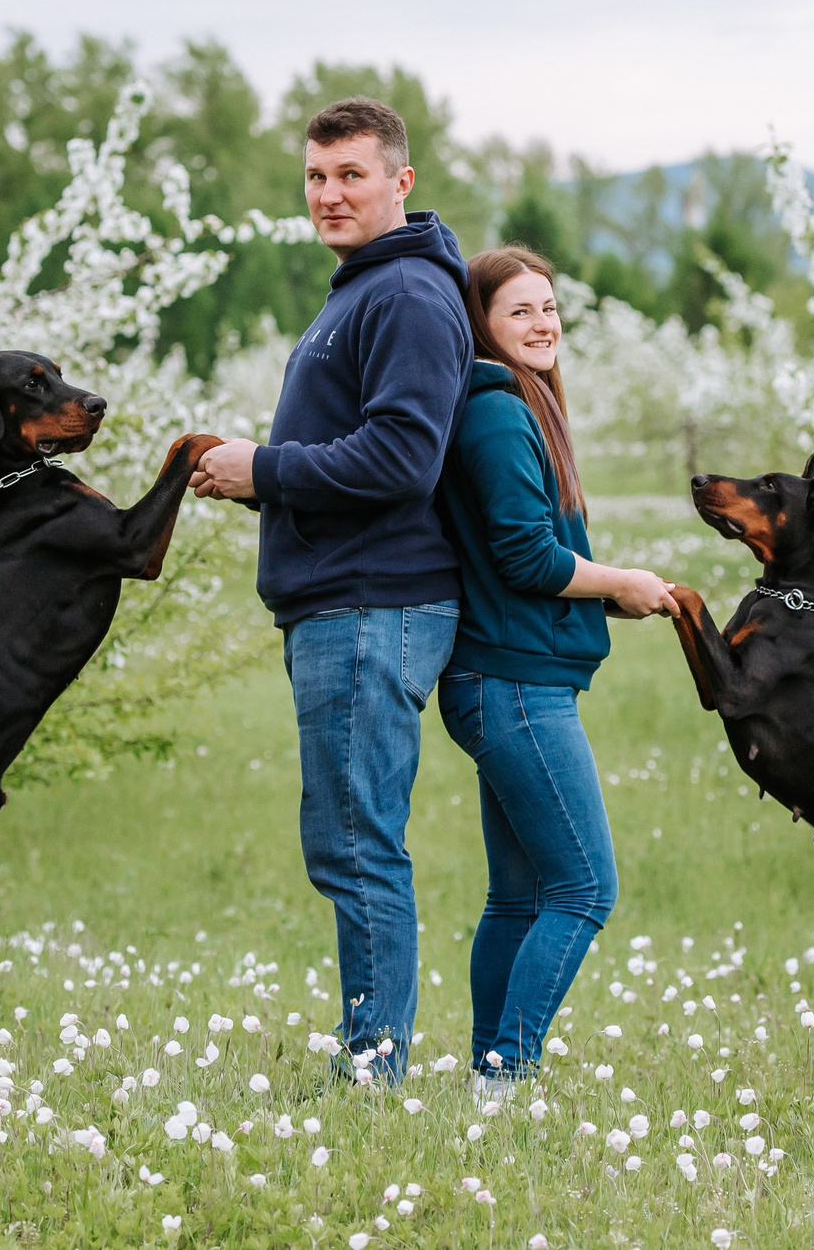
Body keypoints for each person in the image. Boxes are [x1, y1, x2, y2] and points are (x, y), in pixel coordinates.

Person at [189, 97, 471, 1087]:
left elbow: (401, 457)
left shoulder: (404, 296)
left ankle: (375, 1070)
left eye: (351, 173)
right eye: (315, 176)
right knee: (349, 839)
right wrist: (255, 478)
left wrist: (262, 469)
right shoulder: (366, 288)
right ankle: (370, 1056)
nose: (329, 194)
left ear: (401, 180)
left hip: (372, 604)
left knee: (357, 844)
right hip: (346, 597)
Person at [436, 245, 676, 1097]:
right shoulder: (498, 411)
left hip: (505, 676)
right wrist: (621, 579)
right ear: (482, 326)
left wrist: (620, 597)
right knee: (582, 887)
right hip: (515, 686)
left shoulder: (511, 404)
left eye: (549, 307)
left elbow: (525, 561)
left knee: (519, 895)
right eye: (519, 312)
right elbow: (526, 556)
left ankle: (486, 1075)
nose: (543, 325)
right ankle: (507, 1072)